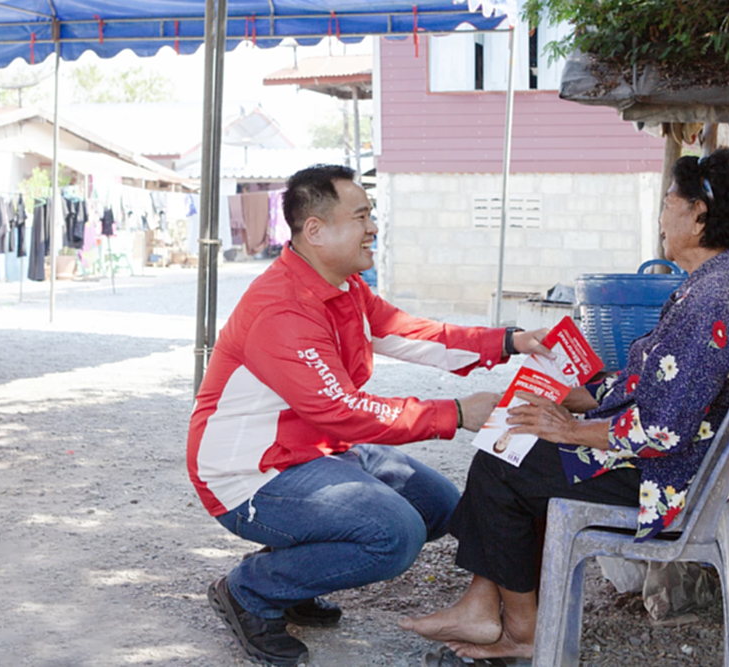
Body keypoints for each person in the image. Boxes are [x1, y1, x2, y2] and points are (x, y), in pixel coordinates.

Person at [398, 149, 729, 662]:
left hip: (670, 475)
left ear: (699, 215)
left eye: (670, 199)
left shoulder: (715, 298)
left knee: (503, 459)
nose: (662, 211)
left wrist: (572, 429)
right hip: (690, 461)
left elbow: (664, 427)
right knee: (515, 437)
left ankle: (521, 629)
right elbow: (666, 382)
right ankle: (481, 602)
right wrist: (590, 393)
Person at [187, 164, 550, 667]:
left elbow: (412, 333)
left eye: (370, 215)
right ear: (315, 230)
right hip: (252, 475)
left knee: (443, 507)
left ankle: (296, 573)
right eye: (361, 217)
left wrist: (507, 342)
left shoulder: (345, 288)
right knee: (395, 534)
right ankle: (250, 590)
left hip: (319, 453)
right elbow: (342, 410)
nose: (373, 228)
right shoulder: (283, 310)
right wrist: (455, 413)